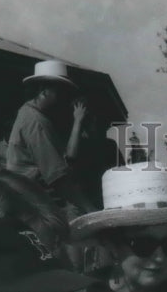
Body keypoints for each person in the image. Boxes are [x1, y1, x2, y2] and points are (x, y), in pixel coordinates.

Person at [6, 60, 98, 223]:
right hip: (34, 199)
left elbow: (67, 157)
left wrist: (78, 121)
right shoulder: (36, 122)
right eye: (59, 91)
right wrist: (90, 211)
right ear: (43, 90)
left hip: (34, 194)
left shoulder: (31, 113)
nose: (62, 97)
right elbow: (58, 178)